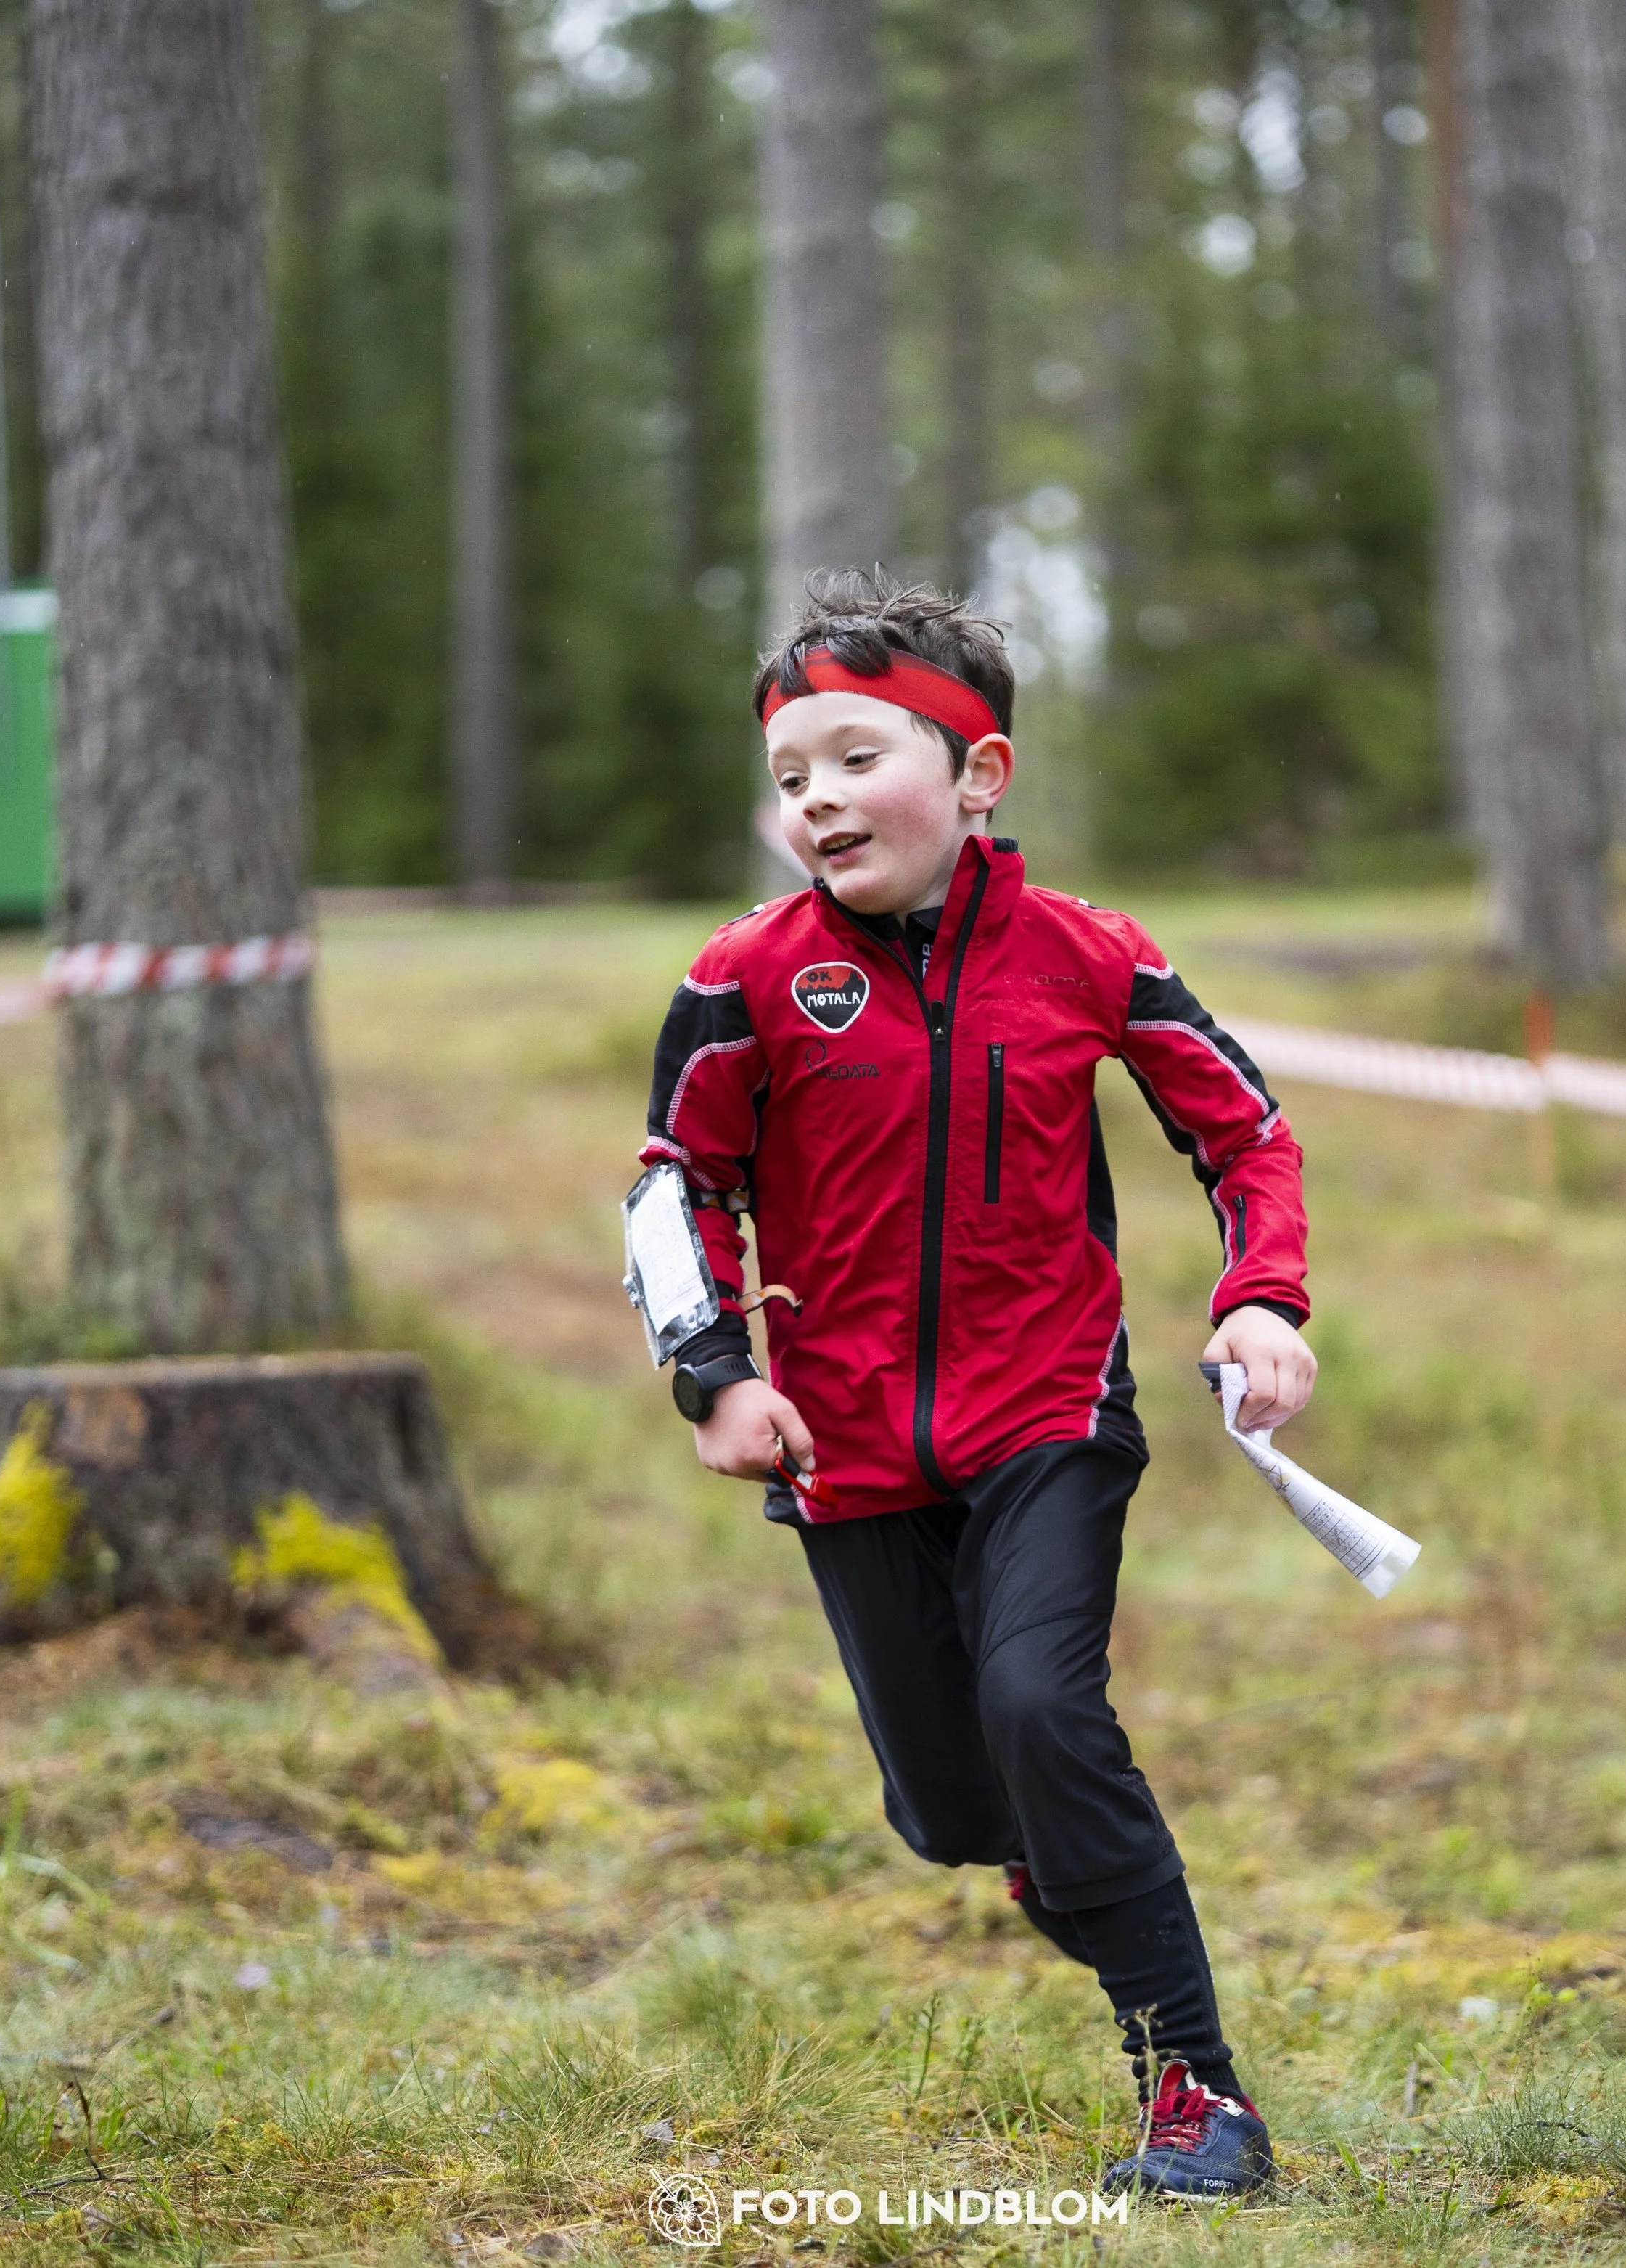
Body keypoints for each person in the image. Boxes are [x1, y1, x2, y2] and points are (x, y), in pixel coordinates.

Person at [633, 569, 1315, 2200]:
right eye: (791, 775)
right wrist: (714, 1374)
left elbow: (1244, 1128)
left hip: (1047, 1413)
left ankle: (1194, 2095)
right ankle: (1048, 1849)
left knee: (1041, 1710)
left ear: (977, 776)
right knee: (949, 1808)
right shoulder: (746, 974)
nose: (815, 799)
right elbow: (675, 1186)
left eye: (855, 759)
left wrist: (1260, 1298)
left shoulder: (1085, 953)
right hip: (846, 1441)